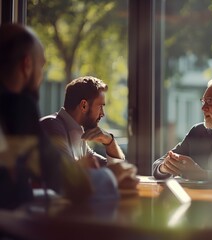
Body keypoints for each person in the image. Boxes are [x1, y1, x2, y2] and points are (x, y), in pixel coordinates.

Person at [0, 23, 134, 209]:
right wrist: (112, 175)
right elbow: (65, 180)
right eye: (42, 66)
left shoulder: (79, 135)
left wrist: (109, 144)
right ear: (26, 65)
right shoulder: (17, 107)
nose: (41, 77)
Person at [40, 76, 138, 189]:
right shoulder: (52, 126)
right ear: (84, 105)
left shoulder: (77, 133)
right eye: (100, 106)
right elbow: (66, 177)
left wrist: (109, 141)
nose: (103, 114)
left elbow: (115, 169)